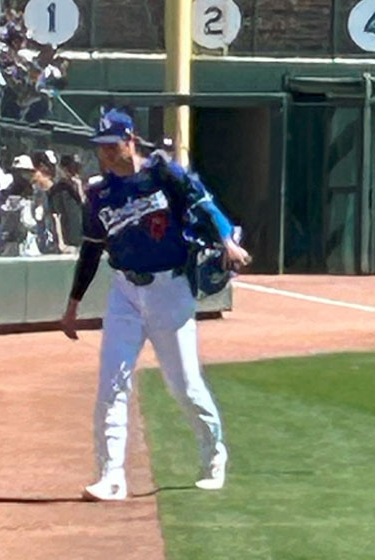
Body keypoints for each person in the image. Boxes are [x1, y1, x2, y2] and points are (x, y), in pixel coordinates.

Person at [61, 109, 252, 501]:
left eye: (111, 146)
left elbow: (205, 205)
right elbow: (91, 252)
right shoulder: (99, 193)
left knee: (183, 385)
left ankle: (213, 454)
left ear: (129, 140)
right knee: (111, 384)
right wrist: (73, 305)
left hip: (170, 289)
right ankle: (111, 475)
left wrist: (227, 241)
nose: (105, 154)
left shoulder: (164, 174)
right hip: (124, 292)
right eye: (100, 148)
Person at [48, 154, 84, 254]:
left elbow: (86, 207)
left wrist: (79, 187)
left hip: (85, 240)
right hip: (70, 242)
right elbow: (56, 216)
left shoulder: (81, 187)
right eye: (72, 168)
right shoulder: (58, 190)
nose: (75, 172)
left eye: (77, 168)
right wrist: (61, 243)